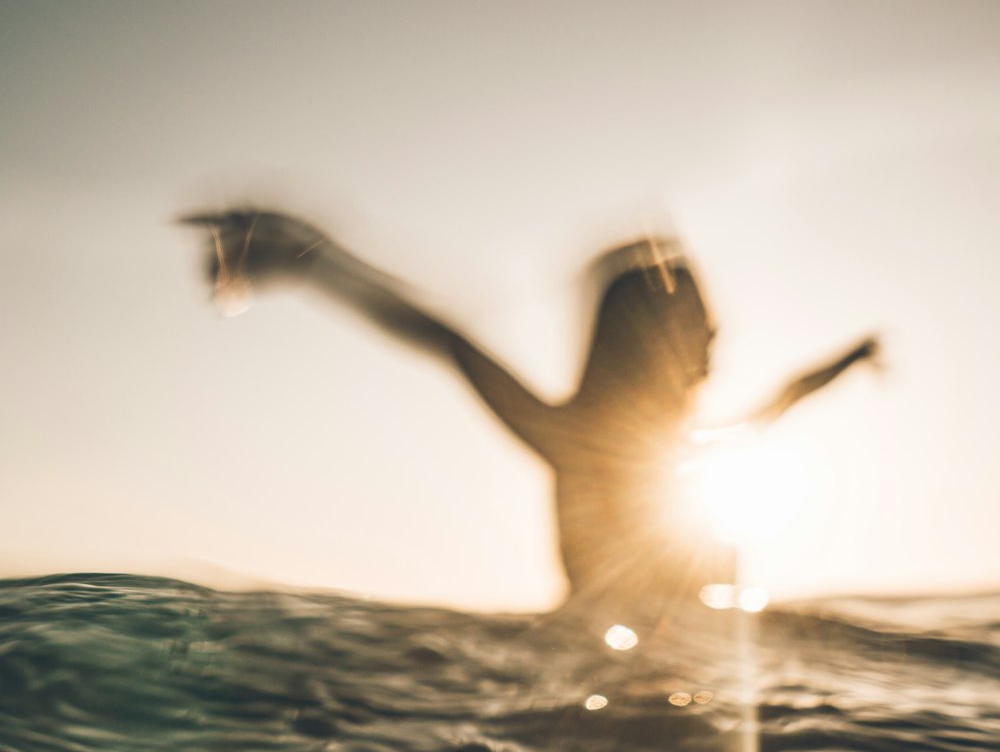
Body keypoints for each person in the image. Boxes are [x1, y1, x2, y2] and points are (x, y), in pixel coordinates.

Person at [181, 207, 880, 610]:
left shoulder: (684, 451)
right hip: (606, 693)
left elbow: (786, 396)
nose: (715, 345)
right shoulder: (578, 440)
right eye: (701, 328)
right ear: (650, 341)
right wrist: (311, 261)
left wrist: (849, 360)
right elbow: (448, 339)